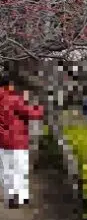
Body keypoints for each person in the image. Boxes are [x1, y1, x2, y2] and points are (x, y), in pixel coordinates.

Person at [0, 76, 44, 208]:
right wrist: (39, 108)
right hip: (17, 138)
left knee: (6, 169)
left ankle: (13, 197)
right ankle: (20, 195)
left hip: (2, 139)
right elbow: (31, 113)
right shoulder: (13, 98)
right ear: (10, 85)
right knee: (19, 167)